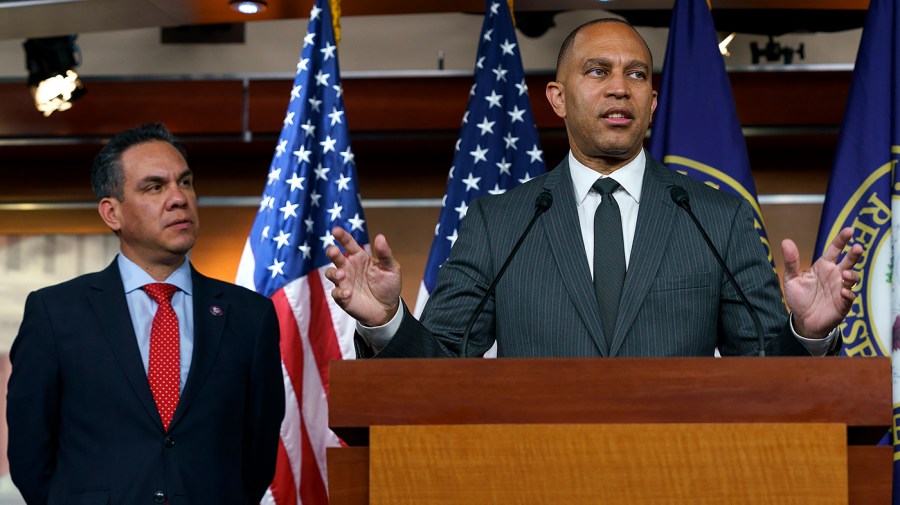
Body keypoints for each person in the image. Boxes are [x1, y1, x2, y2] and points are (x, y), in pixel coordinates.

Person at [324, 18, 862, 358]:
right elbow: (441, 365)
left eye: (637, 74)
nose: (619, 88)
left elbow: (768, 374)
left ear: (653, 103)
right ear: (557, 98)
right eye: (597, 70)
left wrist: (809, 336)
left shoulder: (716, 217)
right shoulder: (500, 221)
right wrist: (388, 323)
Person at [7, 123, 285, 504]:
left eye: (184, 182)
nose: (178, 198)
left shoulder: (250, 316)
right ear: (112, 213)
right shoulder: (55, 313)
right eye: (155, 187)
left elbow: (257, 454)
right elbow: (29, 454)